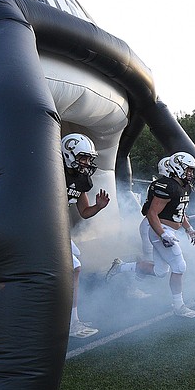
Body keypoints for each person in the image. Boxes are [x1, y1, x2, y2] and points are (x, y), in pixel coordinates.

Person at [106, 152, 195, 318]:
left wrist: (189, 229)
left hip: (167, 231)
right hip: (161, 230)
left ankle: (120, 267)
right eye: (188, 170)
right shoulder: (167, 186)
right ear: (177, 167)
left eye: (192, 171)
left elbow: (180, 212)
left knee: (160, 271)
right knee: (180, 266)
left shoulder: (183, 187)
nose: (191, 174)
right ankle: (178, 306)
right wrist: (163, 234)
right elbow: (152, 213)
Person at [63, 133, 110, 338]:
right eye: (83, 157)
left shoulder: (80, 179)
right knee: (74, 266)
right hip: (34, 227)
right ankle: (70, 321)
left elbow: (84, 212)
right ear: (68, 154)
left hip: (53, 230)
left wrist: (98, 207)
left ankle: (69, 317)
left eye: (89, 158)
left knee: (75, 260)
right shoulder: (52, 172)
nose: (87, 163)